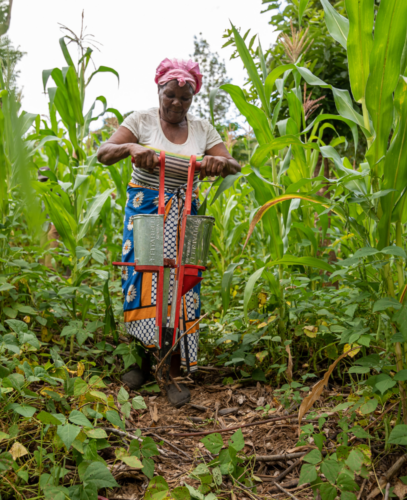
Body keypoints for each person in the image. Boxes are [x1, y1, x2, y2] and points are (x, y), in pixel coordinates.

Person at [97, 58, 241, 407]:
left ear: (193, 98)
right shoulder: (141, 121)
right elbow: (103, 153)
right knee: (142, 279)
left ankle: (173, 366)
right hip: (146, 209)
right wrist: (132, 148)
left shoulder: (203, 130)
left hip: (184, 212)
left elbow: (233, 164)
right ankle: (140, 359)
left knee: (181, 284)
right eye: (170, 95)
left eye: (185, 97)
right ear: (159, 90)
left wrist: (218, 163)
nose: (177, 103)